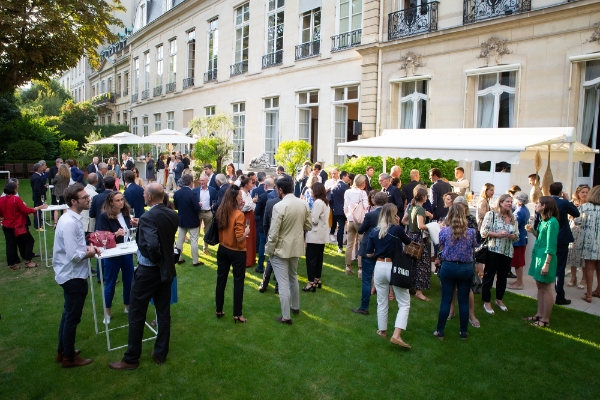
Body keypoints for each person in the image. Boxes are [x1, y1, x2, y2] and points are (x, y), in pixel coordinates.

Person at [108, 183, 179, 369]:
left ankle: (131, 358)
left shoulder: (149, 217)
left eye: (144, 193)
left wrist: (155, 259)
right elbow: (162, 235)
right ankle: (160, 353)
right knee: (163, 312)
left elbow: (154, 246)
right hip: (165, 269)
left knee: (137, 312)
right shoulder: (171, 214)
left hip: (149, 271)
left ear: (149, 197)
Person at [53, 183, 100, 367]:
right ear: (74, 201)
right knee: (72, 316)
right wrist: (92, 252)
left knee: (68, 314)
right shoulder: (70, 222)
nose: (89, 199)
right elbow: (73, 256)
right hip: (73, 276)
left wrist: (87, 248)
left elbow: (74, 249)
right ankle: (69, 358)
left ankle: (63, 350)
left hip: (72, 273)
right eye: (84, 198)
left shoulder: (71, 219)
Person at [266, 176, 312, 324]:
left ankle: (286, 316)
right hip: (296, 247)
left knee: (284, 282)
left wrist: (269, 250)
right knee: (293, 277)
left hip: (280, 249)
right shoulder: (303, 204)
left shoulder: (279, 207)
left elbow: (273, 234)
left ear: (280, 190)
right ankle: (295, 307)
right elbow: (309, 226)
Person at [365, 203, 412, 347]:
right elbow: (408, 242)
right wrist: (398, 226)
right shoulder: (397, 229)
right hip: (393, 265)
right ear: (394, 215)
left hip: (379, 265)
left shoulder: (375, 231)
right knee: (404, 302)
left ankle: (382, 331)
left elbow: (368, 253)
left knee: (381, 301)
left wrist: (380, 252)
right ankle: (396, 335)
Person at [434, 203, 477, 340]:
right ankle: (463, 332)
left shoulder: (445, 231)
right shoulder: (471, 232)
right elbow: (474, 245)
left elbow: (440, 244)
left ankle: (440, 331)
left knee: (446, 300)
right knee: (463, 301)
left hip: (448, 267)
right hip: (465, 268)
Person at [95, 191, 135, 324]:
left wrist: (133, 224)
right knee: (110, 283)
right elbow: (101, 237)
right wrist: (114, 234)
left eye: (122, 199)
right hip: (112, 254)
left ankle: (128, 307)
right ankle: (107, 311)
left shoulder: (125, 213)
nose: (121, 202)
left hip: (126, 251)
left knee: (129, 281)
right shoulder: (104, 217)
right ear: (111, 202)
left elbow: (128, 231)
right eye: (117, 200)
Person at [215, 185, 250, 323]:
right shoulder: (238, 214)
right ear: (234, 198)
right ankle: (237, 314)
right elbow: (240, 237)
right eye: (240, 196)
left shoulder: (221, 210)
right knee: (238, 282)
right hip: (237, 252)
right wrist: (247, 231)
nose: (242, 198)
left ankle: (219, 309)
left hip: (223, 249)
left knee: (221, 280)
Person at [480, 193, 519, 314]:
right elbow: (483, 232)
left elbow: (517, 236)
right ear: (501, 202)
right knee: (489, 276)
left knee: (502, 277)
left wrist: (513, 236)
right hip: (493, 250)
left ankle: (499, 299)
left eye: (511, 202)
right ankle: (486, 302)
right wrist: (497, 235)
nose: (509, 204)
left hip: (507, 252)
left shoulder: (513, 218)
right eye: (507, 201)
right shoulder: (491, 215)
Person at [523, 196, 559, 328]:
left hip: (546, 257)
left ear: (544, 206)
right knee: (539, 286)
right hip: (539, 255)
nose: (536, 205)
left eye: (537, 203)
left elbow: (551, 245)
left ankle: (545, 320)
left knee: (546, 288)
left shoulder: (553, 222)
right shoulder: (544, 221)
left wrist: (547, 264)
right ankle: (539, 314)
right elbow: (541, 237)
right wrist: (532, 230)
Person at [352, 192, 389, 315]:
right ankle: (382, 306)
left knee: (367, 279)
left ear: (374, 202)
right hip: (384, 249)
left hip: (369, 248)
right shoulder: (389, 216)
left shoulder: (370, 215)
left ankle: (364, 307)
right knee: (382, 280)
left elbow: (361, 230)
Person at [0, 181, 47, 270]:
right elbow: (25, 210)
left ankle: (12, 264)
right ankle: (28, 261)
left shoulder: (2, 199)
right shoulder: (15, 199)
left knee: (10, 245)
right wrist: (37, 208)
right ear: (14, 189)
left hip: (6, 225)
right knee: (29, 241)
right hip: (17, 225)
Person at [548, 182, 579, 305]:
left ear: (549, 191)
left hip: (549, 238)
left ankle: (545, 292)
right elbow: (576, 213)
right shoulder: (564, 202)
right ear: (561, 192)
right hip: (561, 239)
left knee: (547, 264)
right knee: (560, 268)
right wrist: (568, 200)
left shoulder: (544, 201)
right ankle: (559, 296)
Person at [402, 187, 432, 302]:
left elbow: (403, 221)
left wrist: (412, 223)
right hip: (418, 239)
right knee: (421, 265)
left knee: (411, 263)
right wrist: (431, 226)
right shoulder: (419, 209)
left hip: (410, 236)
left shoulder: (411, 207)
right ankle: (419, 292)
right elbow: (421, 226)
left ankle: (410, 287)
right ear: (424, 197)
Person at [304, 182, 329, 292]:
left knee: (311, 259)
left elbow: (314, 220)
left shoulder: (318, 202)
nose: (311, 192)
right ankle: (317, 278)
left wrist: (307, 215)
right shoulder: (325, 202)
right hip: (321, 234)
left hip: (315, 234)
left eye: (312, 190)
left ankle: (311, 282)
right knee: (319, 258)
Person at [173, 174, 203, 266]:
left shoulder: (177, 193)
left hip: (182, 219)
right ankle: (195, 261)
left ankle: (178, 258)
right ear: (191, 182)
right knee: (194, 240)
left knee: (180, 240)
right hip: (192, 220)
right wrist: (199, 205)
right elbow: (197, 208)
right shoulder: (192, 193)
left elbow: (176, 206)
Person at [258, 180, 282, 293]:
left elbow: (265, 223)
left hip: (272, 235)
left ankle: (264, 284)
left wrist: (268, 234)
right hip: (282, 238)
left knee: (271, 261)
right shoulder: (274, 203)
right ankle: (277, 286)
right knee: (279, 262)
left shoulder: (270, 202)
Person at [343, 174, 369, 276]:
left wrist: (348, 216)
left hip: (350, 220)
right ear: (362, 183)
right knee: (361, 243)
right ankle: (360, 269)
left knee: (349, 244)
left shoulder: (347, 192)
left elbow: (345, 207)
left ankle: (347, 266)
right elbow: (366, 208)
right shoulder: (362, 193)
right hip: (360, 221)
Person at [579, 185, 600, 303]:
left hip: (589, 241)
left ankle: (589, 294)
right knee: (599, 267)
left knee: (589, 267)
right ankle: (598, 290)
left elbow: (577, 221)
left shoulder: (585, 207)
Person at [567, 184, 590, 289]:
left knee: (583, 257)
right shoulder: (573, 204)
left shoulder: (590, 205)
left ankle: (584, 279)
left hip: (585, 232)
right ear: (578, 193)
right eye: (583, 192)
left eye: (586, 192)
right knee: (573, 254)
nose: (585, 194)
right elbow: (569, 217)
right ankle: (573, 277)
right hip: (574, 230)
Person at [508, 192, 530, 290]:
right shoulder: (525, 210)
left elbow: (514, 226)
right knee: (518, 262)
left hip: (518, 240)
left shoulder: (519, 212)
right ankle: (518, 281)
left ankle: (520, 282)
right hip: (522, 238)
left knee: (518, 262)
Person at [192, 174, 217, 256]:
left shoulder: (212, 190)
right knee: (196, 232)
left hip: (208, 213)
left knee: (207, 232)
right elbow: (192, 202)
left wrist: (212, 208)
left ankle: (205, 249)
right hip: (198, 213)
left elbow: (215, 201)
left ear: (207, 181)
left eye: (203, 180)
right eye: (200, 180)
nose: (201, 182)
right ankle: (195, 251)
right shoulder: (195, 191)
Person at [254, 178, 274, 274]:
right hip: (274, 225)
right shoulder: (278, 196)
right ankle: (274, 268)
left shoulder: (262, 197)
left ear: (265, 186)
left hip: (263, 224)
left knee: (262, 245)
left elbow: (257, 212)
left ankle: (260, 266)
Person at [240, 176, 257, 268]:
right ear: (246, 184)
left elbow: (251, 206)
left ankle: (251, 258)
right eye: (251, 183)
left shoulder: (248, 193)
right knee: (247, 237)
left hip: (250, 216)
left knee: (251, 237)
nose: (252, 185)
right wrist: (252, 202)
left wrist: (252, 203)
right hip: (245, 217)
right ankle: (246, 260)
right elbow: (243, 207)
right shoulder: (242, 193)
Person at [331, 171, 350, 253]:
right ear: (343, 177)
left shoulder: (333, 187)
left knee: (340, 228)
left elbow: (331, 200)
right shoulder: (346, 187)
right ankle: (349, 245)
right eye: (347, 176)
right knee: (349, 228)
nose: (348, 178)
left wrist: (333, 208)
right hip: (346, 209)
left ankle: (340, 247)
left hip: (337, 210)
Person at [30, 162, 46, 231]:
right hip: (38, 197)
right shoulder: (36, 177)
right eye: (41, 167)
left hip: (37, 196)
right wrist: (41, 195)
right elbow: (36, 188)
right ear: (38, 168)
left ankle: (39, 224)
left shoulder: (35, 176)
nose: (42, 168)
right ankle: (38, 226)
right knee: (38, 211)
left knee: (38, 211)